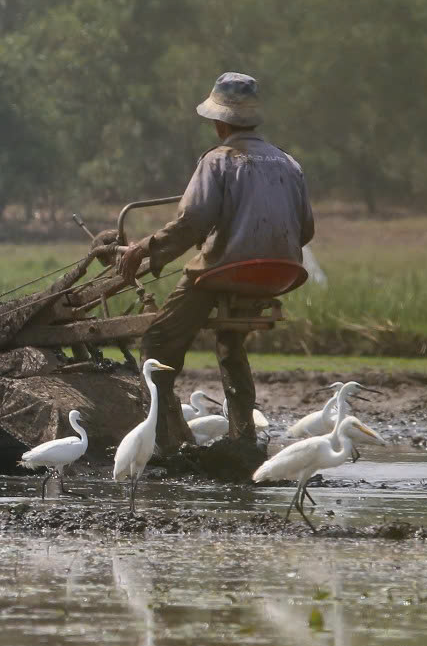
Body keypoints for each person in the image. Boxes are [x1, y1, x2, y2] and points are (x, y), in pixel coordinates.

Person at [112, 73, 315, 454]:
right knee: (230, 343)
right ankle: (244, 438)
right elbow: (305, 229)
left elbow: (192, 222)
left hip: (227, 271)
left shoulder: (217, 160)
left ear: (219, 122)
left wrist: (144, 248)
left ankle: (163, 441)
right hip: (280, 273)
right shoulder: (290, 163)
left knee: (158, 339)